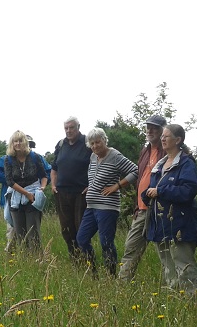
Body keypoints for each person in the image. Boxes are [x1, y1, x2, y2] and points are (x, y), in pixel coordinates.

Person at [143, 124, 197, 294]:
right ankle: (174, 303)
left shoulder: (186, 163)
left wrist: (161, 191)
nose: (162, 139)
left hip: (180, 225)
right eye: (162, 136)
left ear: (178, 140)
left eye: (166, 136)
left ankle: (191, 302)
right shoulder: (159, 165)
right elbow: (152, 190)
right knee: (168, 268)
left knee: (184, 266)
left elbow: (189, 191)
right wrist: (147, 195)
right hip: (160, 224)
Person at [76, 128, 138, 276]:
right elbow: (95, 175)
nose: (95, 146)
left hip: (107, 207)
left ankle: (111, 275)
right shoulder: (93, 157)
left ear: (104, 140)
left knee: (106, 242)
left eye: (98, 142)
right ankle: (93, 273)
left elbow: (136, 171)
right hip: (91, 206)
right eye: (92, 143)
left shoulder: (115, 156)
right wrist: (91, 187)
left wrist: (117, 186)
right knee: (82, 239)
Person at [118, 115, 167, 281]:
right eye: (148, 127)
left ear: (163, 130)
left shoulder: (169, 150)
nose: (150, 130)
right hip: (142, 208)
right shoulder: (145, 150)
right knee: (130, 247)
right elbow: (140, 179)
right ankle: (122, 286)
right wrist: (137, 206)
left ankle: (176, 291)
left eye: (154, 127)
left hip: (161, 209)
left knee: (166, 251)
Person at [0, 135, 50, 252]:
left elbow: (46, 173)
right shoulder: (7, 158)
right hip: (15, 198)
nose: (18, 144)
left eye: (21, 141)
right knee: (17, 233)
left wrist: (41, 187)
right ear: (12, 143)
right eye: (15, 141)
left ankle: (36, 260)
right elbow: (1, 175)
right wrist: (19, 187)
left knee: (34, 233)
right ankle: (19, 260)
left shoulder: (36, 157)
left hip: (33, 198)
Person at [51, 117, 93, 260]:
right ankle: (75, 259)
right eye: (66, 128)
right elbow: (54, 168)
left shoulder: (88, 143)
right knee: (66, 229)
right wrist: (53, 185)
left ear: (78, 127)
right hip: (62, 193)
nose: (68, 131)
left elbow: (98, 164)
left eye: (71, 127)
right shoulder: (61, 144)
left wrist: (91, 185)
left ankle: (87, 259)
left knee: (81, 228)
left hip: (81, 193)